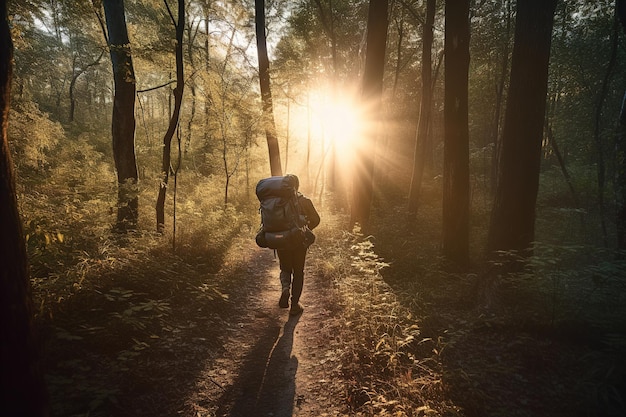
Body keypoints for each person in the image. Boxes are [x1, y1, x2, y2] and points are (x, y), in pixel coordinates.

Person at [277, 175, 320, 316]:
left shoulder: (277, 202)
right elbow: (316, 219)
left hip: (282, 242)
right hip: (299, 243)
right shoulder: (305, 201)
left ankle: (285, 288)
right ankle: (294, 304)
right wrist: (306, 229)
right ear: (297, 185)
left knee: (285, 268)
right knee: (298, 272)